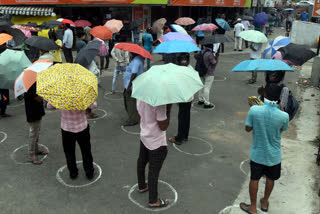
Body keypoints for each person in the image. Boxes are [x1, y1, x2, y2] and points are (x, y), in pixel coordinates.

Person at [240, 83, 289, 214]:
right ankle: (265, 202)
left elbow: (248, 129)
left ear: (264, 94)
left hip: (258, 153)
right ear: (279, 97)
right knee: (270, 178)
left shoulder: (254, 110)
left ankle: (252, 207)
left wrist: (256, 115)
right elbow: (283, 129)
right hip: (274, 155)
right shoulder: (284, 116)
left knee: (254, 178)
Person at [47, 101, 97, 180]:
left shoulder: (60, 93)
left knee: (69, 152)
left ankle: (73, 173)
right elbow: (94, 105)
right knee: (86, 151)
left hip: (67, 128)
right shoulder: (81, 92)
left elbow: (49, 106)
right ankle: (89, 172)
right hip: (82, 127)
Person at [136, 99, 171, 208]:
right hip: (156, 142)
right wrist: (168, 108)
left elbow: (139, 115)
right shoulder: (160, 103)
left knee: (141, 160)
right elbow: (163, 126)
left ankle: (142, 185)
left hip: (145, 135)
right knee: (153, 170)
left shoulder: (140, 96)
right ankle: (153, 200)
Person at [168, 53, 194, 145]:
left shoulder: (180, 70)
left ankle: (179, 138)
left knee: (182, 117)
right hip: (189, 97)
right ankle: (185, 135)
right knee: (186, 117)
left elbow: (178, 85)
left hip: (184, 97)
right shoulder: (190, 68)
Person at [24, 83, 47, 165]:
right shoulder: (30, 85)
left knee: (36, 132)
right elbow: (38, 98)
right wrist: (45, 94)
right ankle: (31, 155)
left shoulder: (34, 83)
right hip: (33, 113)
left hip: (36, 111)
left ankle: (36, 149)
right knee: (33, 134)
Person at [123, 53, 144, 126]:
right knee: (132, 102)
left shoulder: (136, 60)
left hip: (131, 86)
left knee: (130, 103)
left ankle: (133, 120)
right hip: (131, 85)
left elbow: (134, 73)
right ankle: (135, 117)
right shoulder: (137, 59)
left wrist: (129, 87)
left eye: (130, 53)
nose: (129, 54)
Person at [194, 44, 218, 109]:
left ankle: (200, 99)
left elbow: (195, 56)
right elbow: (214, 62)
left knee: (201, 86)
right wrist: (216, 57)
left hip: (200, 71)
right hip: (209, 72)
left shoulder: (200, 52)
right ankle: (206, 103)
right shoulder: (210, 54)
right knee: (207, 87)